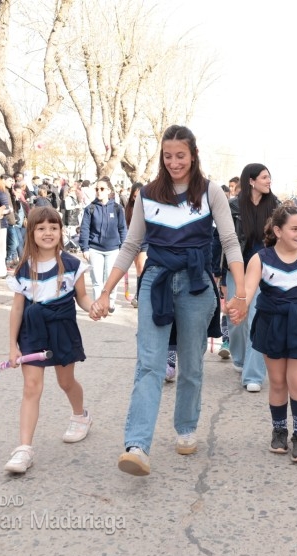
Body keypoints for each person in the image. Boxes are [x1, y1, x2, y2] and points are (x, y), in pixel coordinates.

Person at [89, 125, 246, 477]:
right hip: (155, 282)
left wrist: (240, 293)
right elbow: (131, 245)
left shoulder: (210, 192)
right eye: (168, 156)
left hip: (196, 285)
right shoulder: (147, 194)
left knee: (191, 363)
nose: (174, 162)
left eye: (181, 156)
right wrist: (106, 291)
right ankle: (137, 446)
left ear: (193, 155)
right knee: (149, 364)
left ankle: (186, 427)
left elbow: (229, 241)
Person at [3, 206, 94, 474]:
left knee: (66, 381)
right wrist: (12, 346)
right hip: (32, 331)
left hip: (62, 328)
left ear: (61, 231)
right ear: (31, 232)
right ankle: (24, 449)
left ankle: (80, 416)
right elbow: (17, 309)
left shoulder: (73, 265)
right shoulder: (23, 268)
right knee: (31, 387)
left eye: (53, 227)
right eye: (41, 228)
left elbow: (82, 297)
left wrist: (94, 308)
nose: (48, 233)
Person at [240, 206, 297, 462]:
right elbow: (247, 291)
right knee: (278, 382)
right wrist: (238, 307)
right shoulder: (261, 258)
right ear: (278, 231)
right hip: (271, 324)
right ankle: (279, 430)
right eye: (294, 229)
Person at [225, 163, 279, 392]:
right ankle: (239, 357)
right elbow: (221, 239)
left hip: (264, 271)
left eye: (269, 177)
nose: (268, 181)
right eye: (264, 177)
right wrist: (218, 274)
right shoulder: (233, 206)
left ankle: (253, 375)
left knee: (257, 318)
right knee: (236, 319)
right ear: (251, 181)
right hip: (236, 269)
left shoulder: (275, 206)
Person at [79, 177, 127, 313]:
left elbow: (123, 229)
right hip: (95, 249)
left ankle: (110, 303)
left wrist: (124, 248)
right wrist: (85, 248)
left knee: (110, 279)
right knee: (97, 280)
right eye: (96, 189)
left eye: (102, 189)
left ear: (109, 190)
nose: (99, 191)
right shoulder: (90, 208)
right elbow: (85, 229)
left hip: (113, 249)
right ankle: (98, 306)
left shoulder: (117, 209)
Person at [124, 182, 146, 307]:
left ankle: (139, 296)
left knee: (142, 267)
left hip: (145, 240)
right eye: (134, 196)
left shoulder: (147, 206)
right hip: (134, 241)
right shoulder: (129, 209)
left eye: (139, 196)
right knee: (138, 269)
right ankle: (139, 293)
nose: (136, 199)